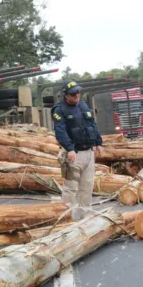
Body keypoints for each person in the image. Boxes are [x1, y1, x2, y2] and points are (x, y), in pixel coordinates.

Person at [51, 80, 103, 220]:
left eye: (78, 92)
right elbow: (60, 132)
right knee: (71, 188)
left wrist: (98, 142)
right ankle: (66, 218)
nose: (77, 95)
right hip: (74, 155)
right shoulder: (59, 110)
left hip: (88, 153)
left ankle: (85, 217)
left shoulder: (83, 105)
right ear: (65, 95)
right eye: (73, 93)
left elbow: (92, 124)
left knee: (87, 187)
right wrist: (70, 149)